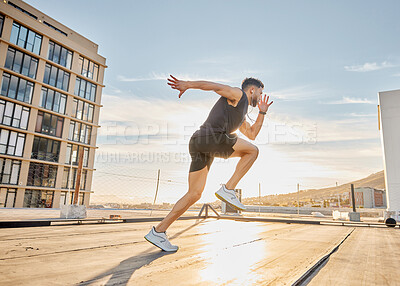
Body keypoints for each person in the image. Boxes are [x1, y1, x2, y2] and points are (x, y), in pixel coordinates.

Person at [145, 75, 273, 251]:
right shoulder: (238, 95)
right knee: (253, 151)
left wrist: (262, 112)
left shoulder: (241, 113)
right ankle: (228, 189)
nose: (260, 96)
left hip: (200, 144)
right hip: (210, 139)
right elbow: (213, 86)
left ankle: (159, 231)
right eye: (260, 92)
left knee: (194, 194)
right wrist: (187, 85)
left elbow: (252, 134)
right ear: (253, 90)